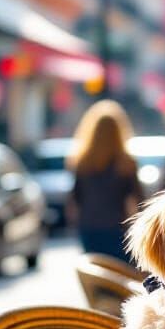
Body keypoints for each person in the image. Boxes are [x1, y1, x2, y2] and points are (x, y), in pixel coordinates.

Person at [68, 99, 143, 262]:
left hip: (89, 228)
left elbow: (75, 199)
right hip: (117, 229)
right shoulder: (127, 163)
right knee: (118, 278)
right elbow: (139, 201)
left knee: (96, 278)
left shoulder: (82, 162)